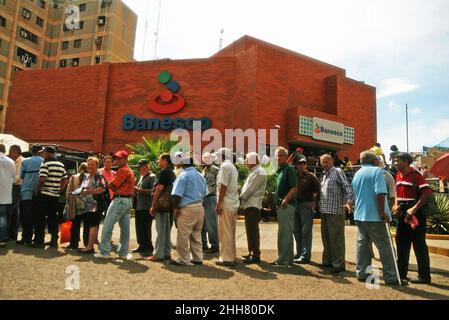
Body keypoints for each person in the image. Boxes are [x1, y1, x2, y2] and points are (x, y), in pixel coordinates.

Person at [351, 151, 403, 286]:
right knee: (385, 246)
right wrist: (382, 212)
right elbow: (380, 192)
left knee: (363, 245)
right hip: (375, 215)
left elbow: (354, 193)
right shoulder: (377, 172)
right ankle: (391, 276)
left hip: (360, 215)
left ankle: (362, 273)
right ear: (374, 161)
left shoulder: (358, 173)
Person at [393, 152, 433, 284]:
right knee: (401, 244)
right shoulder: (398, 175)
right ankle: (402, 275)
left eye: (397, 160)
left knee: (419, 245)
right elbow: (397, 193)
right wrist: (396, 204)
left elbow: (426, 194)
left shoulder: (417, 175)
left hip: (415, 214)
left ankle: (424, 277)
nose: (395, 163)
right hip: (402, 213)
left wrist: (414, 209)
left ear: (405, 161)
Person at [95, 151, 135, 260]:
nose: (117, 161)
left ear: (126, 160)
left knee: (107, 225)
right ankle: (122, 253)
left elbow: (112, 185)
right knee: (125, 230)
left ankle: (105, 252)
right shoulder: (129, 170)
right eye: (116, 159)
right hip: (127, 201)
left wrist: (110, 183)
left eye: (120, 159)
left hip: (119, 200)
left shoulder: (123, 170)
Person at [319, 154, 354, 273]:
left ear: (332, 161)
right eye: (322, 162)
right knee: (326, 238)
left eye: (327, 162)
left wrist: (349, 202)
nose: (324, 164)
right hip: (324, 210)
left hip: (335, 211)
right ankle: (328, 261)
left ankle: (338, 264)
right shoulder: (324, 175)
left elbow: (348, 188)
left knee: (336, 239)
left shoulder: (338, 171)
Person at [171, 154, 208, 266]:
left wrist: (176, 208)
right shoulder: (200, 175)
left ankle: (184, 259)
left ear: (183, 163)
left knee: (183, 235)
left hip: (187, 208)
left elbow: (177, 194)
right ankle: (197, 258)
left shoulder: (183, 175)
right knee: (196, 234)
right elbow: (205, 193)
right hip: (199, 206)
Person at [31, 146, 68, 248]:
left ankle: (39, 241)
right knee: (53, 218)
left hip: (44, 195)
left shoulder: (45, 164)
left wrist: (37, 190)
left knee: (40, 218)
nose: (42, 155)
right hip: (54, 196)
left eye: (43, 153)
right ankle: (53, 240)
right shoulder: (61, 165)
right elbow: (65, 179)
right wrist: (59, 190)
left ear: (48, 153)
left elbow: (42, 179)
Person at [270, 147, 298, 267]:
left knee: (284, 234)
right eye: (277, 155)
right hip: (283, 205)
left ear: (286, 157)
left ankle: (283, 260)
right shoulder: (280, 170)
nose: (278, 157)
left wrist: (286, 200)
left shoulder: (289, 169)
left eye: (281, 155)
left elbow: (294, 187)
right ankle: (289, 259)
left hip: (286, 205)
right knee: (286, 233)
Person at [239, 152, 267, 264]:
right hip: (250, 205)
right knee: (250, 231)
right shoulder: (255, 171)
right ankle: (251, 252)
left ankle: (255, 255)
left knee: (253, 231)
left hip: (253, 205)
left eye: (246, 159)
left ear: (252, 160)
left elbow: (250, 189)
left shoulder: (259, 172)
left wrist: (239, 198)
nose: (245, 162)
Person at [148, 153, 176, 262]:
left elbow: (159, 189)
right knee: (166, 229)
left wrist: (153, 205)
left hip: (161, 204)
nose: (158, 161)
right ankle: (166, 252)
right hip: (169, 205)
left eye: (159, 159)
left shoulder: (164, 172)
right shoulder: (172, 173)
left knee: (160, 229)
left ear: (165, 160)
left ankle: (158, 254)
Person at [214, 148, 240, 267]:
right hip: (233, 203)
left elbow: (223, 186)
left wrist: (219, 203)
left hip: (226, 203)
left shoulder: (224, 167)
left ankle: (227, 258)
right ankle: (231, 256)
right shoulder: (232, 167)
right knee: (230, 231)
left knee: (224, 232)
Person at [293, 155, 320, 264]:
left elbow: (318, 190)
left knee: (306, 231)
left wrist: (314, 202)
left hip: (306, 205)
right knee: (296, 231)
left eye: (304, 163)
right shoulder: (293, 175)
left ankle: (305, 256)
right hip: (295, 205)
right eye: (300, 163)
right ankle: (299, 253)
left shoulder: (311, 176)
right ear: (296, 165)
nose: (302, 165)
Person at [78, 157, 107, 254]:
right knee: (87, 224)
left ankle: (90, 247)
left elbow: (102, 189)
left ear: (97, 166)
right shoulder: (86, 176)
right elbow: (83, 189)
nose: (90, 166)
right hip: (86, 205)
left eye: (92, 165)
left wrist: (88, 191)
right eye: (88, 164)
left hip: (96, 204)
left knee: (93, 225)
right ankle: (87, 246)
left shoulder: (99, 176)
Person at [17, 145, 44, 245]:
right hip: (40, 192)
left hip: (26, 191)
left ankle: (26, 238)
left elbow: (21, 176)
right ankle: (37, 239)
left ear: (31, 152)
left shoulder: (25, 161)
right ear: (39, 152)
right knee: (38, 216)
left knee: (27, 217)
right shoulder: (43, 161)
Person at [132, 159, 156, 257]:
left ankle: (148, 248)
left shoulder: (152, 176)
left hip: (146, 206)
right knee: (139, 227)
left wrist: (138, 190)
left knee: (146, 228)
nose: (140, 169)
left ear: (147, 166)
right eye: (140, 167)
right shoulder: (141, 177)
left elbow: (152, 191)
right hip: (139, 206)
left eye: (142, 166)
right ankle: (141, 245)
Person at [66, 162, 88, 250]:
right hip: (87, 204)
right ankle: (87, 244)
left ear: (79, 168)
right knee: (87, 225)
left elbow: (68, 191)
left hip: (75, 203)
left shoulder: (74, 177)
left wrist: (68, 200)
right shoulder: (90, 177)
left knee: (75, 224)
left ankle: (74, 243)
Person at [201, 152, 220, 253]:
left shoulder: (216, 170)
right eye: (205, 159)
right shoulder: (203, 170)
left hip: (211, 197)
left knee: (211, 223)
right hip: (203, 198)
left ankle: (214, 245)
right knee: (202, 223)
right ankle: (203, 244)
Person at [0, 144, 15, 247]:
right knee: (3, 216)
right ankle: (2, 238)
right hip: (5, 193)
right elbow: (14, 177)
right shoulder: (11, 161)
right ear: (5, 150)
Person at [7, 145, 23, 242]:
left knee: (11, 211)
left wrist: (9, 179)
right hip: (12, 187)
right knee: (15, 212)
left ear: (16, 152)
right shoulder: (12, 161)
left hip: (17, 187)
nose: (9, 154)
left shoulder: (22, 161)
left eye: (11, 151)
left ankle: (11, 234)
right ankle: (13, 234)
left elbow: (19, 177)